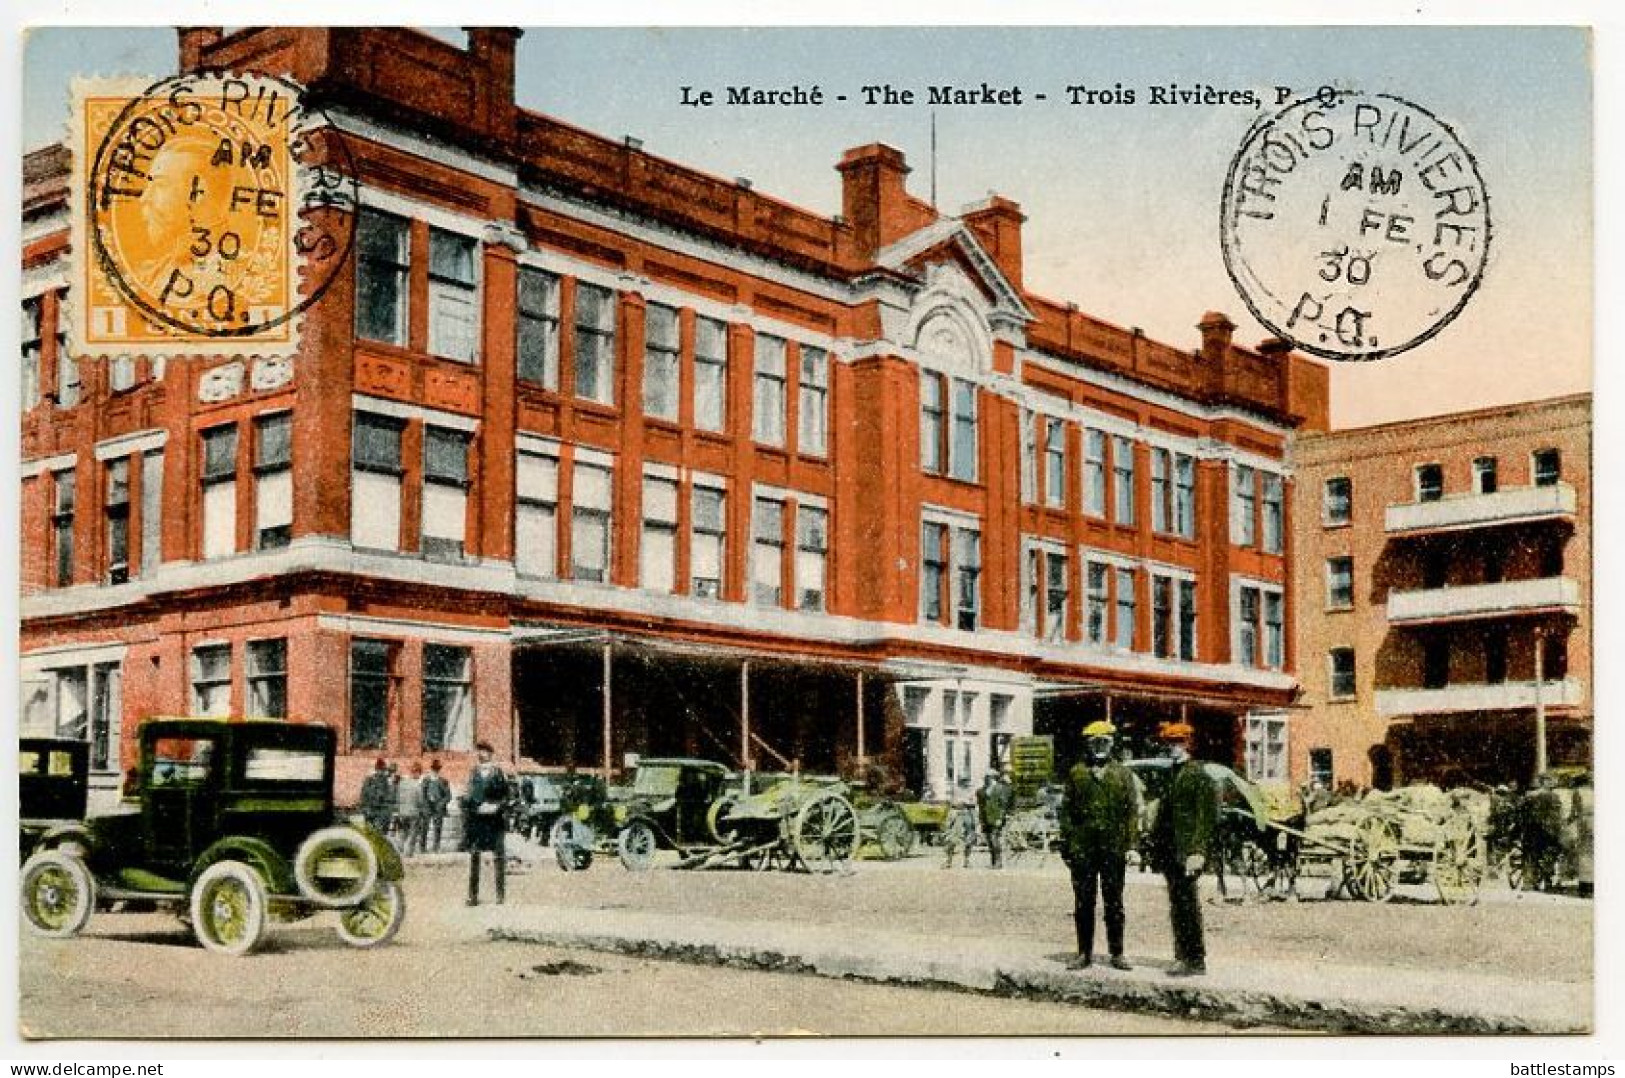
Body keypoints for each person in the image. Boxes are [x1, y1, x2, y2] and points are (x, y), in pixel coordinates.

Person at [1060, 720, 1140, 970]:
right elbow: (1066, 812)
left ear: (1112, 744)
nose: (1100, 747)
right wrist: (1070, 841)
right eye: (1095, 743)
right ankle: (1084, 953)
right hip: (1083, 849)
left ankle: (1117, 953)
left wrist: (1132, 846)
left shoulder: (1123, 774)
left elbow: (1131, 813)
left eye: (1104, 742)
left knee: (1114, 901)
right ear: (1088, 745)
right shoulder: (1077, 773)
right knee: (1083, 901)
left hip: (1113, 848)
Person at [1147, 722, 1216, 977]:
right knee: (1177, 904)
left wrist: (1198, 851)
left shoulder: (1198, 774)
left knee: (1187, 904)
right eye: (1169, 743)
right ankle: (1183, 955)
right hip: (1170, 850)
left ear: (1188, 744)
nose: (1173, 748)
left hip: (1188, 852)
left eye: (1178, 742)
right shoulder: (1170, 773)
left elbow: (1206, 816)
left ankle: (1194, 959)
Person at [463, 742, 510, 905]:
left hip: (495, 821)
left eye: (485, 752)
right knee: (474, 857)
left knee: (499, 857)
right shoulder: (473, 773)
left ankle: (500, 895)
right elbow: (468, 796)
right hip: (477, 821)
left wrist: (496, 806)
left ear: (491, 754)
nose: (482, 754)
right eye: (480, 752)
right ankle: (473, 896)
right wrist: (474, 806)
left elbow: (507, 796)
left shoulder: (499, 773)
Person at [976, 768, 1014, 869]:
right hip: (985, 818)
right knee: (989, 840)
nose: (986, 779)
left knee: (994, 838)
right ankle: (992, 862)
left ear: (993, 777)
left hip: (996, 817)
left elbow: (1003, 804)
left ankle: (998, 861)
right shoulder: (982, 790)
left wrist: (1000, 818)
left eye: (988, 777)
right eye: (986, 777)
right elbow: (981, 805)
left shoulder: (1000, 789)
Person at [397, 761, 427, 857]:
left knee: (403, 831)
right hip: (413, 813)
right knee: (413, 832)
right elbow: (420, 801)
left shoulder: (402, 783)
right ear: (417, 773)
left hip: (402, 812)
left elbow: (398, 797)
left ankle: (399, 849)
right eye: (419, 773)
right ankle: (408, 852)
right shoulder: (417, 785)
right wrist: (422, 810)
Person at [422, 759, 452, 853]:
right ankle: (422, 847)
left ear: (439, 770)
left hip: (438, 807)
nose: (435, 771)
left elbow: (448, 796)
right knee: (424, 828)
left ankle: (436, 847)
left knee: (438, 828)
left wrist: (441, 803)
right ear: (431, 770)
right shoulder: (426, 780)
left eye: (437, 770)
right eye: (433, 769)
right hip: (428, 806)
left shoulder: (443, 781)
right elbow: (422, 794)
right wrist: (426, 801)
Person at [359, 758, 395, 835]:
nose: (381, 772)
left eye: (382, 770)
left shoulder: (377, 780)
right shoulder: (375, 780)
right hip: (375, 812)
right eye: (381, 770)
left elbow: (363, 795)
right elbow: (364, 795)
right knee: (374, 834)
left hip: (376, 812)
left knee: (374, 834)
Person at [941, 801, 978, 869]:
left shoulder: (970, 812)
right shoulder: (953, 812)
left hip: (968, 813)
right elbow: (948, 823)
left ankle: (966, 861)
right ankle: (948, 861)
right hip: (956, 824)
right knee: (950, 843)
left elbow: (972, 824)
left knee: (968, 843)